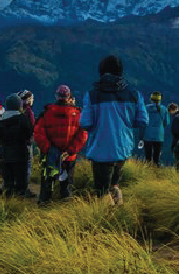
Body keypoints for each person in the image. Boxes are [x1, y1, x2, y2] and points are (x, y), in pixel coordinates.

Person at [83, 55, 149, 203]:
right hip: (123, 148)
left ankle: (106, 220)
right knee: (114, 184)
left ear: (101, 71)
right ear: (120, 71)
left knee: (101, 190)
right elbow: (143, 120)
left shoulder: (92, 95)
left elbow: (85, 123)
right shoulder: (134, 94)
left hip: (100, 149)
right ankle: (119, 211)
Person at [34, 85, 87, 204]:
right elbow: (83, 135)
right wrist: (71, 150)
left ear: (56, 96)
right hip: (69, 156)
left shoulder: (47, 113)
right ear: (69, 97)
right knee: (67, 183)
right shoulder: (78, 114)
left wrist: (49, 149)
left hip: (50, 155)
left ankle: (44, 203)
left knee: (48, 180)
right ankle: (65, 207)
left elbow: (38, 133)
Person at [0, 94, 33, 197]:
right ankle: (19, 200)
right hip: (20, 154)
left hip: (5, 154)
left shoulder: (0, 120)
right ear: (19, 105)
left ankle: (8, 201)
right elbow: (29, 132)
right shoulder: (22, 118)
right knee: (21, 182)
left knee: (8, 182)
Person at [142, 92, 170, 166]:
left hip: (147, 135)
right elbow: (166, 123)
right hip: (159, 135)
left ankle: (147, 171)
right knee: (157, 156)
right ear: (160, 100)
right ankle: (156, 170)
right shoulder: (164, 109)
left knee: (148, 156)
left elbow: (143, 121)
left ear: (151, 99)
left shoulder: (146, 107)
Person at [18, 90, 36, 195]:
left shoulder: (16, 111)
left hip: (15, 143)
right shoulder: (29, 112)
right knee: (27, 165)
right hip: (27, 143)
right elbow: (32, 127)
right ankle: (25, 188)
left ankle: (17, 187)